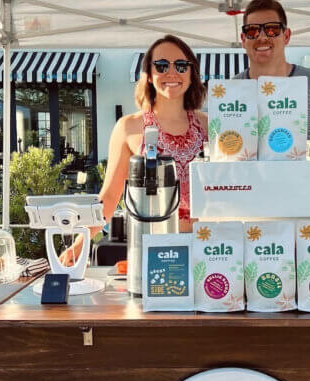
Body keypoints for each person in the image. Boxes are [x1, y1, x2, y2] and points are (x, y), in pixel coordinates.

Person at [60, 34, 207, 265]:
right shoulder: (128, 127)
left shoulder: (209, 125)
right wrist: (82, 242)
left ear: (191, 73)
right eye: (161, 65)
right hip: (154, 248)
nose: (171, 73)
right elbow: (109, 196)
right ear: (148, 75)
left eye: (181, 65)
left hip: (207, 246)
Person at [235, 0, 310, 140]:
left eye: (272, 29)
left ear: (286, 36)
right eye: (252, 31)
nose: (262, 37)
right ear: (243, 39)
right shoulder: (229, 93)